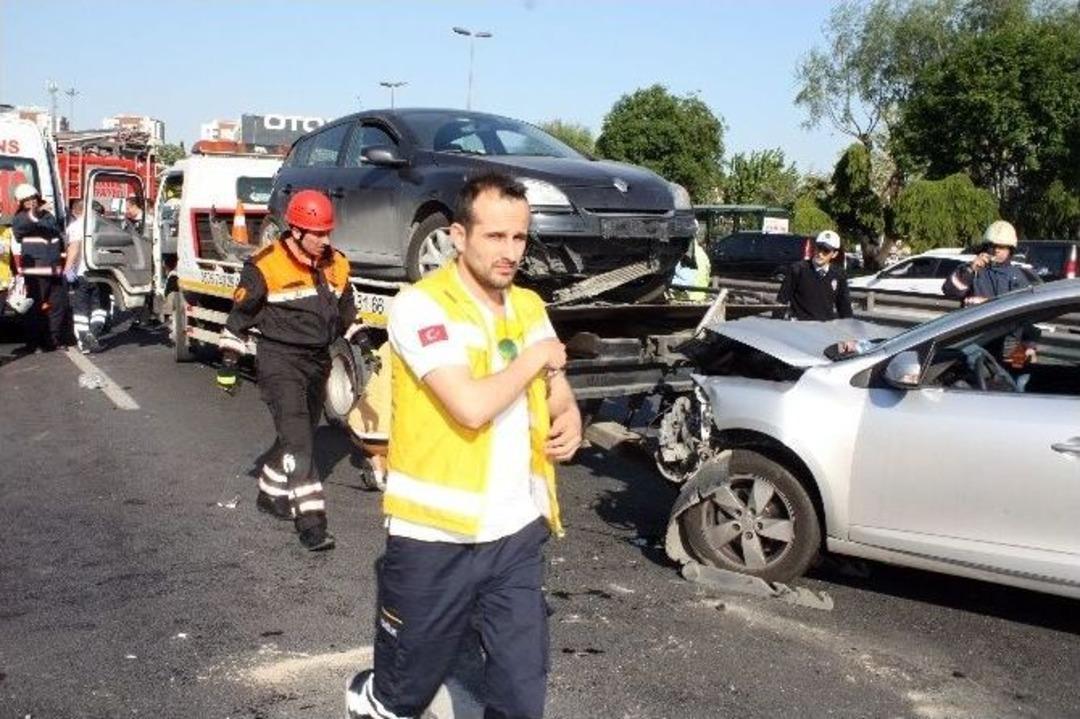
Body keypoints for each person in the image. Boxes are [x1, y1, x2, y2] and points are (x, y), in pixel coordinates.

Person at [346, 172, 582, 719]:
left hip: (515, 532)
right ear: (458, 235)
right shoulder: (420, 307)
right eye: (495, 237)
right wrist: (535, 358)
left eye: (520, 238)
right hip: (434, 536)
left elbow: (558, 390)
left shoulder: (528, 307)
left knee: (522, 694)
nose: (510, 253)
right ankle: (373, 700)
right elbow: (471, 407)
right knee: (405, 694)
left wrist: (569, 417)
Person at [217, 190, 357, 551]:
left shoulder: (337, 263)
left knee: (299, 434)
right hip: (280, 361)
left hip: (318, 361)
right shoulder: (265, 266)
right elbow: (237, 321)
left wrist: (366, 345)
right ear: (296, 230)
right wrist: (229, 365)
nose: (326, 241)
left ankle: (269, 489)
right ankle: (311, 524)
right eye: (318, 234)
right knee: (300, 441)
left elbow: (347, 317)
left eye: (329, 232)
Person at [942, 219, 1035, 366]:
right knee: (971, 378)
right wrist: (971, 269)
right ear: (986, 246)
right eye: (993, 246)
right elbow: (950, 291)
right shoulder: (972, 270)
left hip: (1008, 345)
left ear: (1010, 250)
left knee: (1018, 378)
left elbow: (1026, 316)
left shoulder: (1017, 276)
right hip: (974, 343)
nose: (997, 250)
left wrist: (1029, 347)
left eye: (1002, 247)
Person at [10, 183, 68, 351]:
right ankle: (33, 343)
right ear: (21, 203)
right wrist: (36, 213)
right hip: (36, 271)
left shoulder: (47, 216)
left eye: (34, 199)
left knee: (58, 305)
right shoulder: (20, 217)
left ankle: (53, 340)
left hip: (54, 269)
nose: (32, 203)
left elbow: (53, 229)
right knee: (35, 309)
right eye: (28, 201)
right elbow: (22, 228)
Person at [775, 229, 853, 321]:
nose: (820, 254)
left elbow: (844, 306)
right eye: (819, 248)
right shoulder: (798, 269)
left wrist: (849, 330)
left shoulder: (839, 274)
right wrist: (775, 326)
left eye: (826, 251)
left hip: (826, 328)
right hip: (799, 327)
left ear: (834, 254)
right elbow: (781, 301)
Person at [63, 199, 105, 353]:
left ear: (75, 212)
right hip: (103, 273)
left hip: (83, 271)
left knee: (81, 309)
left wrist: (68, 268)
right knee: (99, 307)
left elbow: (74, 247)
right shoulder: (103, 224)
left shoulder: (76, 226)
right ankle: (93, 334)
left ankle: (84, 341)